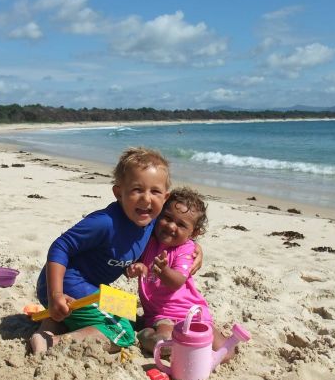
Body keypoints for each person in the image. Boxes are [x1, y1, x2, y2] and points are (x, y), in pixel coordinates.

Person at [29, 147, 201, 354]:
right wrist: (55, 293)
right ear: (119, 193)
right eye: (137, 190)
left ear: (165, 197)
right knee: (124, 333)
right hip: (65, 283)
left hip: (92, 289)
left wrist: (198, 249)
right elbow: (60, 246)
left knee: (129, 313)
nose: (146, 199)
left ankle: (48, 328)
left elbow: (173, 235)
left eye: (154, 192)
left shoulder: (150, 221)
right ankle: (55, 344)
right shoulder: (104, 223)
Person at [127, 187, 232, 361]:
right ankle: (144, 333)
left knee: (227, 352)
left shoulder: (186, 249)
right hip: (162, 314)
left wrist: (164, 270)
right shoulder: (150, 240)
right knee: (165, 343)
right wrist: (140, 269)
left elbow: (177, 281)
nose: (171, 226)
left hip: (192, 312)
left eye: (181, 224)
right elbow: (144, 269)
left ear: (194, 233)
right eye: (167, 218)